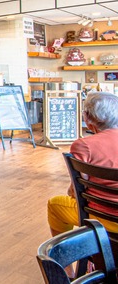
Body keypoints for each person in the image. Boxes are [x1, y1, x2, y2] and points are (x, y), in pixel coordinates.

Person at [47, 92, 118, 237]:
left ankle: (68, 256)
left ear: (87, 117)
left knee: (55, 205)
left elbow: (77, 191)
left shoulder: (83, 145)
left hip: (103, 217)